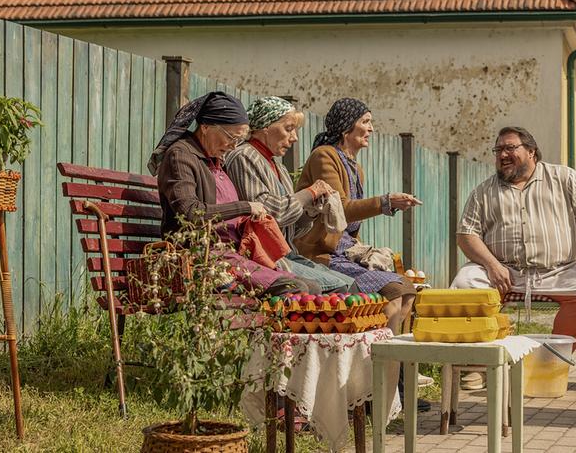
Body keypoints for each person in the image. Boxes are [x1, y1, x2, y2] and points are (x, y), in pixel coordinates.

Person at [452, 126, 576, 350]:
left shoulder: (563, 177)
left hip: (559, 271)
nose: (502, 155)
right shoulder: (483, 191)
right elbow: (466, 234)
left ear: (531, 151)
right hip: (503, 272)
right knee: (463, 285)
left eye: (509, 148)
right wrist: (492, 265)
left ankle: (553, 359)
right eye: (498, 150)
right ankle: (477, 361)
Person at [150, 91, 315, 296]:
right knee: (295, 289)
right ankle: (260, 329)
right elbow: (190, 213)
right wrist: (246, 206)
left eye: (238, 140)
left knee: (312, 288)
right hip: (201, 258)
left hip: (234, 255)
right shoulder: (181, 156)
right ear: (206, 127)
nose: (233, 146)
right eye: (231, 137)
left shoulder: (216, 159)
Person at [294, 97, 421, 334]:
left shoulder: (355, 167)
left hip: (346, 252)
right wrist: (386, 202)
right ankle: (379, 362)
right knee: (393, 293)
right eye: (365, 122)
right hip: (324, 254)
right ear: (346, 127)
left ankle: (394, 364)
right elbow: (340, 208)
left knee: (407, 289)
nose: (371, 129)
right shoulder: (325, 156)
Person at [224, 96, 357, 294]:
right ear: (265, 127)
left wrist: (311, 211)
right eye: (288, 128)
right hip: (264, 258)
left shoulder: (278, 166)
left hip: (286, 254)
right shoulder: (245, 157)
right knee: (341, 289)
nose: (294, 137)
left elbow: (291, 231)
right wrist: (308, 193)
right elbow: (266, 214)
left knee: (351, 284)